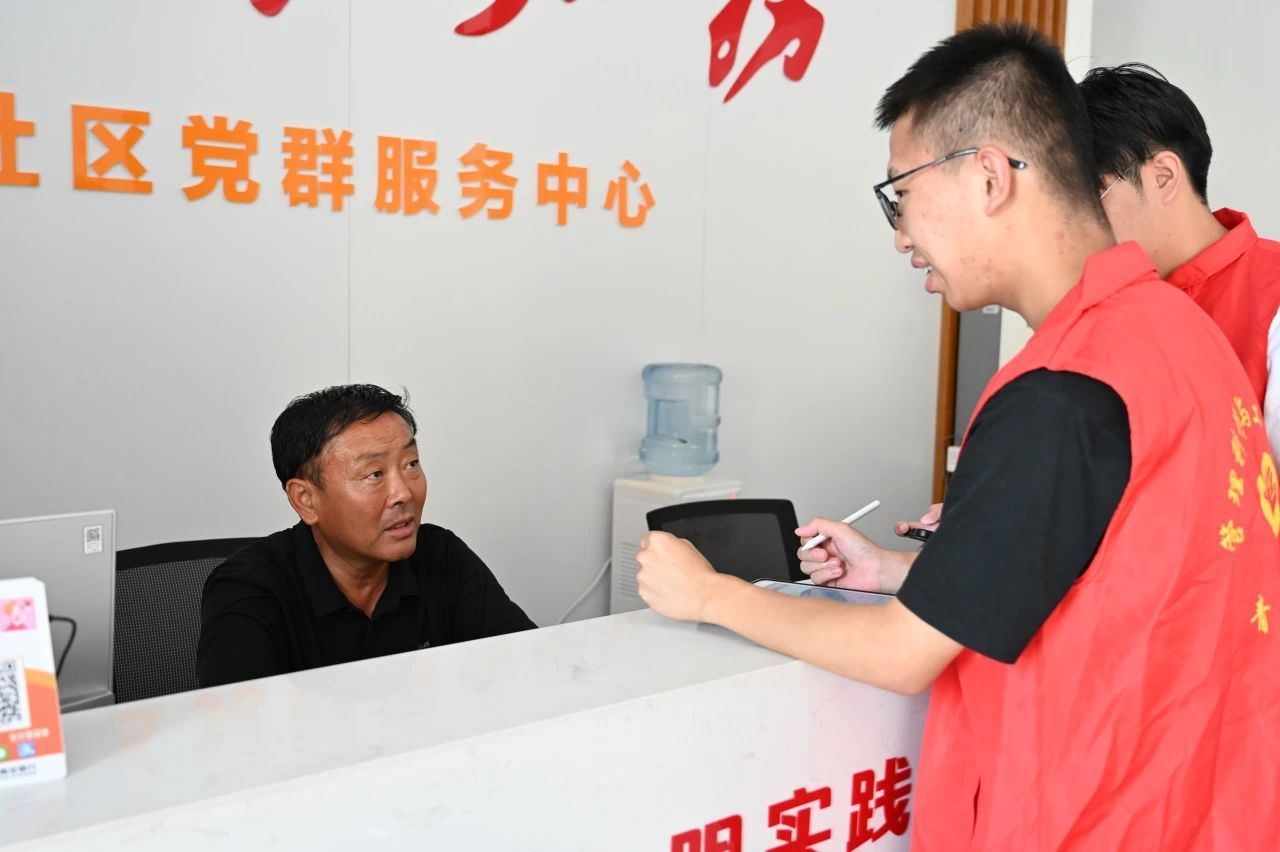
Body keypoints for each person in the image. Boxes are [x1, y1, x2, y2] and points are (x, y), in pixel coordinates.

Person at [635, 24, 1280, 849]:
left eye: (899, 194)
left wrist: (709, 595)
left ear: (988, 176)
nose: (901, 235)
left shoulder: (1065, 387)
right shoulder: (1178, 330)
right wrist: (904, 572)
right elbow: (1118, 571)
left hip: (1089, 820)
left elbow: (903, 655)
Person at [197, 384, 534, 687]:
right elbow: (236, 722)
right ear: (306, 500)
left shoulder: (441, 555)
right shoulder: (250, 586)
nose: (403, 493)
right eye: (374, 474)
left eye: (411, 464)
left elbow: (532, 666)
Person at [1080, 63, 1280, 454]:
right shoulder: (1101, 305)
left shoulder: (1272, 296)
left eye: (1090, 196)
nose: (1075, 225)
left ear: (1164, 176)